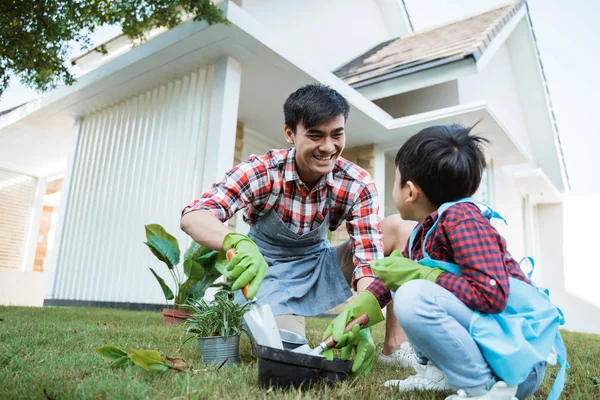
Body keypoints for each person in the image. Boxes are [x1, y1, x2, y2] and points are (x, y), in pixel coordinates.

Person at [180, 84, 413, 375]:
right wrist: (236, 241)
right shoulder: (264, 171)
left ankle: (394, 347)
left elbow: (368, 258)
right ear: (290, 134)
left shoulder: (356, 182)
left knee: (402, 230)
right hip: (268, 274)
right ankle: (277, 323)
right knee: (287, 354)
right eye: (315, 135)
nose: (328, 147)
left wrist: (362, 314)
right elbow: (194, 215)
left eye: (336, 134)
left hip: (319, 265)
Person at [350, 124, 567, 399]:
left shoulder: (463, 221)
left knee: (413, 295)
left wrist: (427, 277)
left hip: (516, 365)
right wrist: (357, 313)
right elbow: (391, 279)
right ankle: (446, 375)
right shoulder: (424, 230)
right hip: (493, 351)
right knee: (408, 285)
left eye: (395, 180)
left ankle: (483, 389)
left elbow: (492, 296)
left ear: (410, 191)